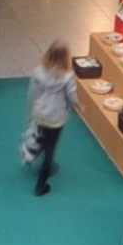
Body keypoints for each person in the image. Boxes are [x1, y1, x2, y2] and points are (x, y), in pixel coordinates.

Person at [24, 40, 77, 196]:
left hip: (40, 113)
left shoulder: (38, 72)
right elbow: (71, 96)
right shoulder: (68, 76)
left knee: (39, 136)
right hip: (56, 116)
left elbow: (33, 92)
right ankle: (41, 185)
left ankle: (30, 154)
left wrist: (32, 108)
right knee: (51, 148)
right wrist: (77, 106)